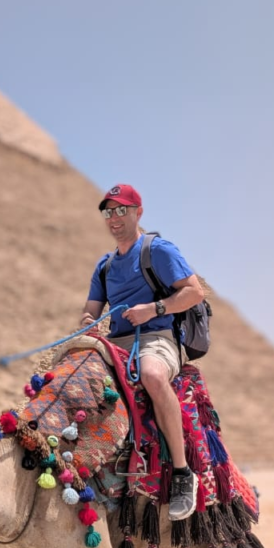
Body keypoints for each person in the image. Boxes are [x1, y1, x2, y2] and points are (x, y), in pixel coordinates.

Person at [81, 184, 205, 520]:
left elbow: (194, 292)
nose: (114, 218)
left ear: (138, 212)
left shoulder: (158, 251)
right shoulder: (105, 266)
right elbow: (92, 308)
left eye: (121, 210)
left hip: (156, 337)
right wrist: (88, 321)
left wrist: (153, 309)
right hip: (116, 343)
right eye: (108, 212)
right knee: (70, 378)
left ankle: (182, 474)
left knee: (151, 374)